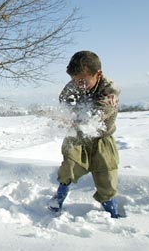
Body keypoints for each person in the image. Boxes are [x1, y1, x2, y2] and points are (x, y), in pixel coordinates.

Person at [48, 51, 122, 218]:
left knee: (107, 174)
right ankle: (58, 198)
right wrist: (63, 117)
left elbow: (95, 117)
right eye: (74, 80)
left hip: (102, 138)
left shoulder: (110, 89)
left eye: (82, 80)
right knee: (69, 167)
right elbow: (65, 105)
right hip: (77, 136)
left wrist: (72, 119)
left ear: (98, 74)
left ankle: (112, 209)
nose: (77, 84)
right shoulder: (73, 85)